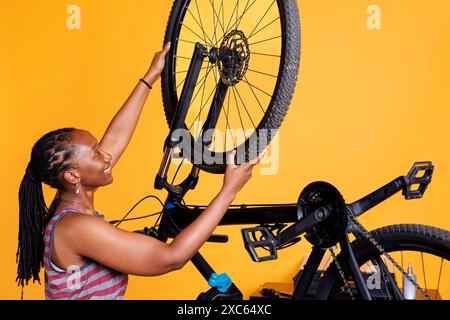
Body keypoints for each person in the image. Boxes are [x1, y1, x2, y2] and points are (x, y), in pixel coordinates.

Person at [17, 42, 261, 299]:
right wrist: (228, 191)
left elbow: (116, 138)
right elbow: (171, 258)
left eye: (100, 148)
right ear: (73, 176)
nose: (107, 155)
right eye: (96, 153)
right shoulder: (76, 227)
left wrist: (150, 77)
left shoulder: (69, 205)